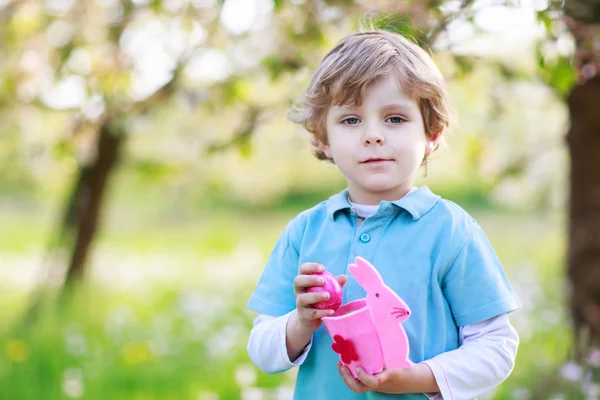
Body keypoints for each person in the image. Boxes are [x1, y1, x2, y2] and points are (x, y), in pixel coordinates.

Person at [246, 30, 521, 400]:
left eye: (394, 119)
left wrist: (418, 378)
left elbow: (495, 347)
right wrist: (301, 323)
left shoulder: (451, 232)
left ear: (432, 132)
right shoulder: (305, 232)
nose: (373, 135)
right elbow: (262, 350)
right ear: (322, 136)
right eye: (350, 120)